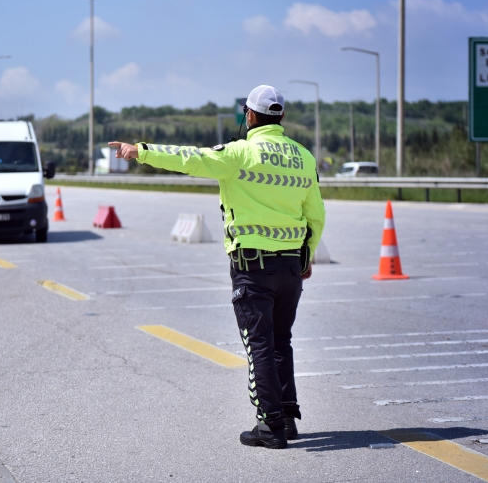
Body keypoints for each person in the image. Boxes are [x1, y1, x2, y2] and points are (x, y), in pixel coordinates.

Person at [108, 85, 325, 449]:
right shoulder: (303, 156)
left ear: (249, 116)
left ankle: (270, 426)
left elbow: (189, 158)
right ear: (281, 117)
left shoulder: (238, 153)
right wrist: (307, 255)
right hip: (291, 266)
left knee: (259, 345)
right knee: (280, 341)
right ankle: (286, 417)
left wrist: (141, 150)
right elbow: (315, 214)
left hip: (253, 268)